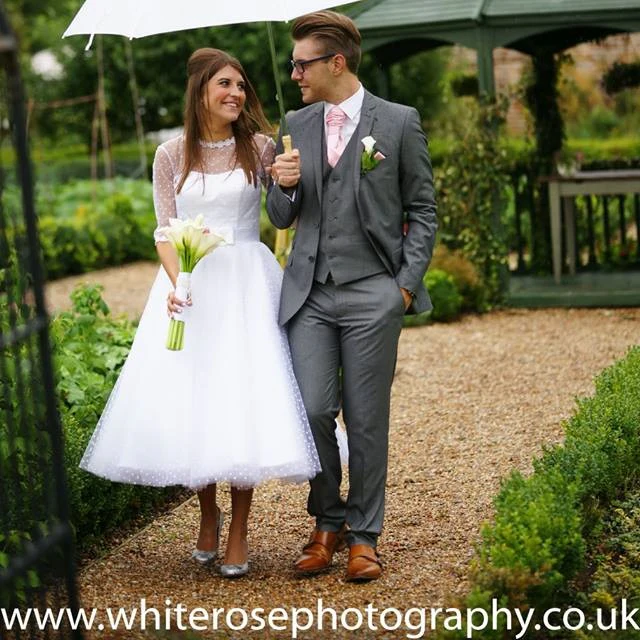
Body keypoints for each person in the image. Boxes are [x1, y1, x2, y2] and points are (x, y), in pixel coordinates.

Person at [79, 48, 320, 578]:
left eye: (241, 85)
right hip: (191, 286)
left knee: (244, 398)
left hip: (247, 283)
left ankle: (239, 529)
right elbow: (164, 231)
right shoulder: (170, 154)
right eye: (225, 84)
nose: (236, 93)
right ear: (201, 92)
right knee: (198, 399)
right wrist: (179, 282)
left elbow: (284, 212)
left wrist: (288, 180)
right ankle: (208, 513)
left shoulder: (260, 146)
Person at [266, 11, 437, 582]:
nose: (295, 74)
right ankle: (327, 520)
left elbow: (423, 209)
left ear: (336, 63)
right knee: (313, 410)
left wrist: (403, 288)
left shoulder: (399, 121)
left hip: (374, 291)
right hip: (311, 294)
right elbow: (281, 216)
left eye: (302, 64)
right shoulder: (296, 123)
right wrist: (283, 185)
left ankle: (364, 535)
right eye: (293, 64)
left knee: (366, 419)